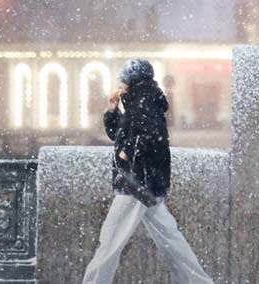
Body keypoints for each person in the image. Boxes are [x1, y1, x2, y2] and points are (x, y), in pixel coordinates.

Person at [82, 59, 214, 284]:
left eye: (123, 79)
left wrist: (127, 153)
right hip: (148, 183)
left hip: (136, 183)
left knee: (110, 241)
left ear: (133, 80)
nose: (120, 83)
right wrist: (113, 111)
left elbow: (148, 136)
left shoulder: (142, 102)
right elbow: (119, 134)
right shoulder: (140, 101)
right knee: (171, 240)